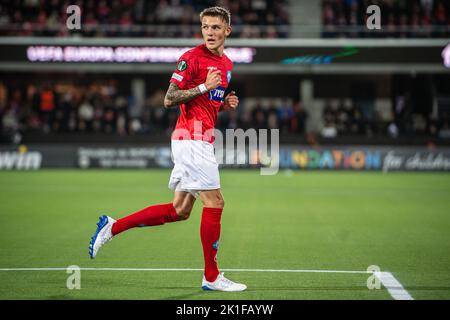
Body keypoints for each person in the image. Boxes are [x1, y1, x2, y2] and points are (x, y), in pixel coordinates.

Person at [89, 6, 246, 292]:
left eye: (215, 27)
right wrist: (202, 87)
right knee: (216, 202)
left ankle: (113, 226)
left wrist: (224, 104)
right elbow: (169, 98)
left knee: (180, 210)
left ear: (227, 31)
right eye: (205, 27)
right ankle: (211, 277)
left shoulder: (228, 65)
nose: (209, 32)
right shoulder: (190, 58)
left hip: (202, 138)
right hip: (191, 139)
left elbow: (209, 105)